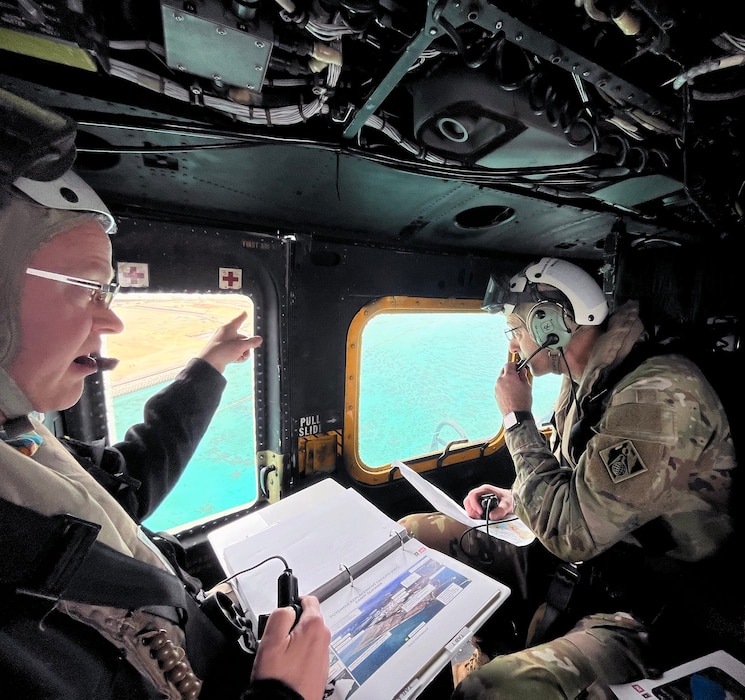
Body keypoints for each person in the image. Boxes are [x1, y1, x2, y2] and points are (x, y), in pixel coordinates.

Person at [0, 168, 331, 699]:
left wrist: (210, 367)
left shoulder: (23, 443)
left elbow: (123, 486)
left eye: (106, 291)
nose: (111, 322)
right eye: (87, 287)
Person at [400, 257, 739, 699]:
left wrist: (516, 418)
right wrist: (516, 497)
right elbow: (573, 480)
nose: (513, 343)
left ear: (550, 325)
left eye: (515, 329)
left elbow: (572, 532)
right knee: (413, 537)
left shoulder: (657, 398)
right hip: (588, 564)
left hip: (648, 605)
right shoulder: (585, 379)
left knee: (491, 689)